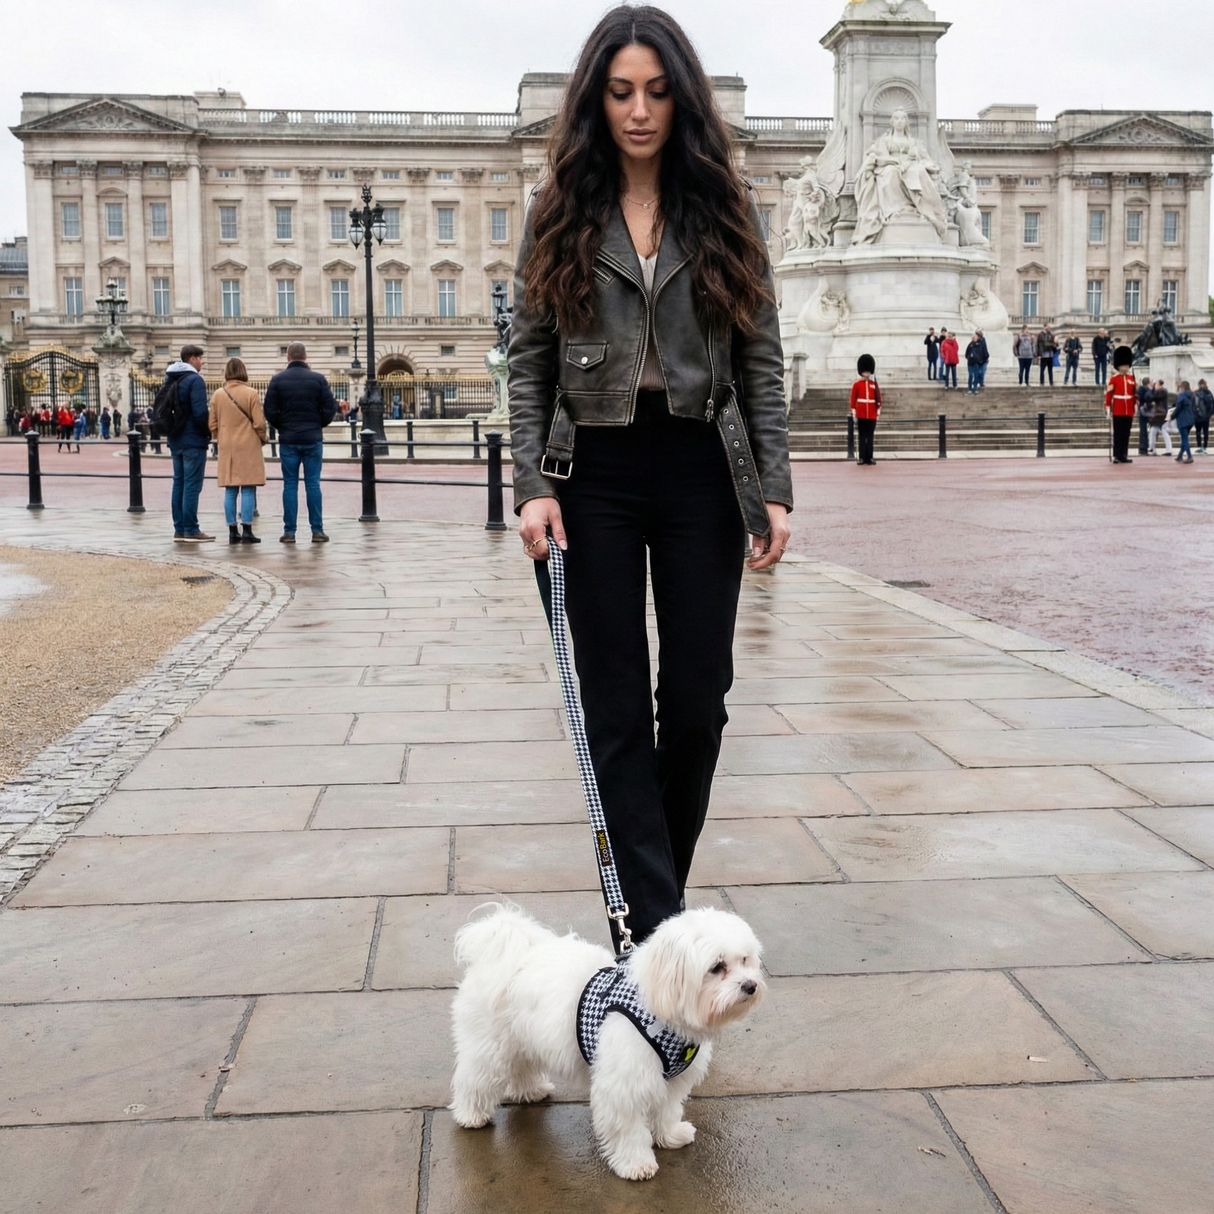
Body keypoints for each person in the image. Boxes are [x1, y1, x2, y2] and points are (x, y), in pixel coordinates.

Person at [510, 6, 792, 951]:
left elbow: (760, 354)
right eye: (622, 92)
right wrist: (530, 486)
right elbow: (528, 361)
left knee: (700, 700)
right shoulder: (559, 207)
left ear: (684, 100)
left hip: (701, 467)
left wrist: (775, 486)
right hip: (587, 468)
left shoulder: (726, 206)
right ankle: (656, 932)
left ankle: (651, 901)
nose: (639, 111)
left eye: (658, 93)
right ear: (598, 99)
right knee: (615, 700)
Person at [263, 341, 338, 543]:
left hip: (288, 440)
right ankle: (317, 530)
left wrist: (283, 426)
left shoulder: (277, 380)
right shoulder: (318, 379)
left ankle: (289, 532)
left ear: (288, 357)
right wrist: (317, 424)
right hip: (312, 438)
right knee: (313, 484)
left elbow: (269, 411)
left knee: (289, 486)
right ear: (305, 357)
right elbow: (330, 409)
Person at [209, 356, 268, 544]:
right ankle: (248, 530)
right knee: (248, 488)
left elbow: (212, 423)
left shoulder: (218, 394)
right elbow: (259, 423)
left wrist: (222, 436)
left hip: (228, 446)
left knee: (230, 489)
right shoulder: (251, 393)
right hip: (248, 445)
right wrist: (263, 437)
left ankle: (232, 531)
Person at [164, 343, 214, 542]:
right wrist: (206, 433)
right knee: (192, 485)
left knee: (179, 483)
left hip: (175, 438)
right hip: (193, 439)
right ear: (192, 359)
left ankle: (179, 528)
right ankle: (191, 529)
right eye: (200, 358)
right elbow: (200, 412)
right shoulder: (195, 380)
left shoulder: (170, 378)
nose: (202, 362)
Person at [1104, 346, 1137, 464]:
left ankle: (1124, 455)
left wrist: (1135, 405)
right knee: (1118, 434)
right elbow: (1109, 394)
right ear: (1119, 366)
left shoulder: (1131, 378)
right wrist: (1108, 407)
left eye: (1127, 366)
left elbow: (1135, 394)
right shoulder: (1114, 379)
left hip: (1129, 410)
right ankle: (1116, 455)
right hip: (1118, 409)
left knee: (1126, 434)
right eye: (1124, 366)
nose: (1126, 367)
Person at [851, 354, 881, 464]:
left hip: (872, 414)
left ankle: (870, 457)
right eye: (865, 371)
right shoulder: (857, 385)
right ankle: (862, 457)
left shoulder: (874, 384)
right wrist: (854, 412)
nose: (867, 373)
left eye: (868, 371)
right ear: (861, 371)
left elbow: (879, 398)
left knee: (870, 436)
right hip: (861, 413)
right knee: (862, 437)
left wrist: (878, 411)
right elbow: (853, 399)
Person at [1170, 380, 1196, 465]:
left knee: (1184, 439)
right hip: (1191, 419)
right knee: (1184, 437)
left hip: (1183, 419)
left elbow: (1178, 408)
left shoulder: (1181, 396)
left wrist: (1172, 416)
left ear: (1182, 387)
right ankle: (1180, 455)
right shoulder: (1192, 395)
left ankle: (1189, 456)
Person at [1147, 380, 1172, 457]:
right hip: (1160, 414)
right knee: (1154, 430)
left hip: (1161, 414)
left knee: (1162, 430)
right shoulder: (1161, 391)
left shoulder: (1162, 392)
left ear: (1160, 385)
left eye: (1156, 385)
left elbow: (1153, 398)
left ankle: (1168, 449)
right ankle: (1152, 448)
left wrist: (1152, 389)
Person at [1193, 379, 1213, 454]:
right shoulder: (1209, 393)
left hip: (1198, 417)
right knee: (1205, 432)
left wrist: (1195, 414)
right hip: (1206, 417)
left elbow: (1194, 405)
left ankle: (1199, 447)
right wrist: (1209, 415)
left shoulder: (1197, 393)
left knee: (1198, 431)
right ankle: (1205, 447)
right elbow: (1212, 405)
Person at [1137, 377, 1153, 456]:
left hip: (1142, 411)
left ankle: (1142, 448)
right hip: (1147, 411)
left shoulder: (1140, 390)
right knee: (1145, 431)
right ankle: (1144, 448)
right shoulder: (1148, 391)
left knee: (1143, 430)